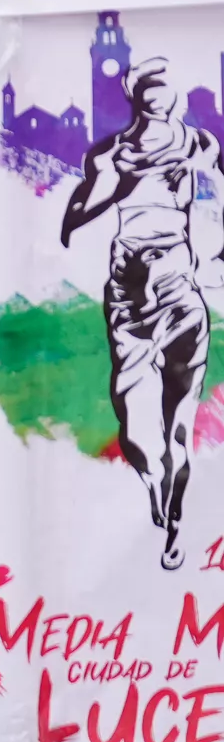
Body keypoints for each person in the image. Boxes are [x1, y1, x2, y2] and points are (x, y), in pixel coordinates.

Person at [61, 59, 224, 570]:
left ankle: (176, 522)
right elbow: (80, 210)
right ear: (136, 95)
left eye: (166, 87)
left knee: (179, 423)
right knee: (134, 426)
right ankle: (155, 482)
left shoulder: (200, 146)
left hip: (179, 286)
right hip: (129, 294)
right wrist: (107, 197)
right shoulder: (112, 154)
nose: (159, 95)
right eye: (149, 86)